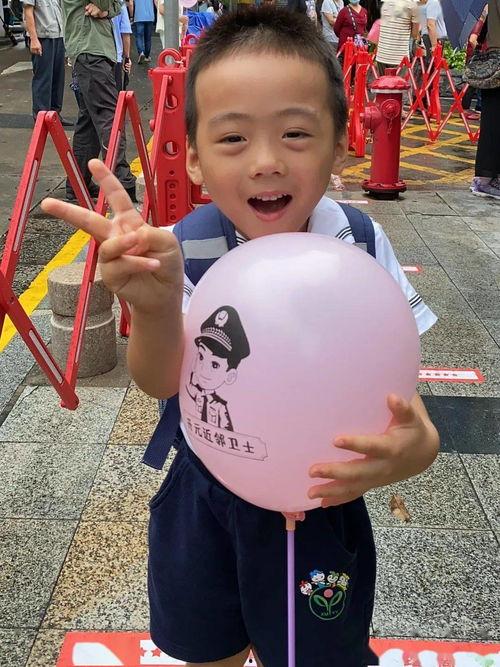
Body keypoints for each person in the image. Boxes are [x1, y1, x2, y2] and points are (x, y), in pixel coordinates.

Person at [42, 7, 440, 666]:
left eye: (295, 133)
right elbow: (160, 381)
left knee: (316, 655)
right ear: (195, 159)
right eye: (233, 138)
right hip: (205, 490)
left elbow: (403, 400)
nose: (265, 162)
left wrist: (415, 449)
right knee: (207, 650)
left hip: (324, 499)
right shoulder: (183, 250)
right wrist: (157, 305)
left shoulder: (360, 245)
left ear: (341, 142)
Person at [61, 0, 137, 202]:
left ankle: (78, 183)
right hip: (91, 50)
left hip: (91, 50)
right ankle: (122, 179)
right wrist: (107, 8)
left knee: (89, 122)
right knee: (109, 116)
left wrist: (107, 10)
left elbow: (114, 4)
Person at [23, 0, 72, 125]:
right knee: (43, 79)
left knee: (58, 79)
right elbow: (28, 11)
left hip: (58, 35)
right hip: (42, 37)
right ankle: (41, 118)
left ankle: (55, 115)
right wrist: (33, 39)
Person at [470, 0, 500, 200]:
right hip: (496, 67)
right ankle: (485, 179)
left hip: (493, 64)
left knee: (493, 122)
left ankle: (489, 177)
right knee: (493, 122)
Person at [376, 0, 420, 74]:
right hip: (399, 58)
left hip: (382, 54)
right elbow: (414, 34)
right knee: (400, 81)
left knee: (382, 81)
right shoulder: (413, 6)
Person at [112, 0, 133, 90]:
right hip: (115, 56)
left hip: (92, 56)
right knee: (115, 93)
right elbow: (125, 33)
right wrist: (127, 57)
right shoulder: (119, 4)